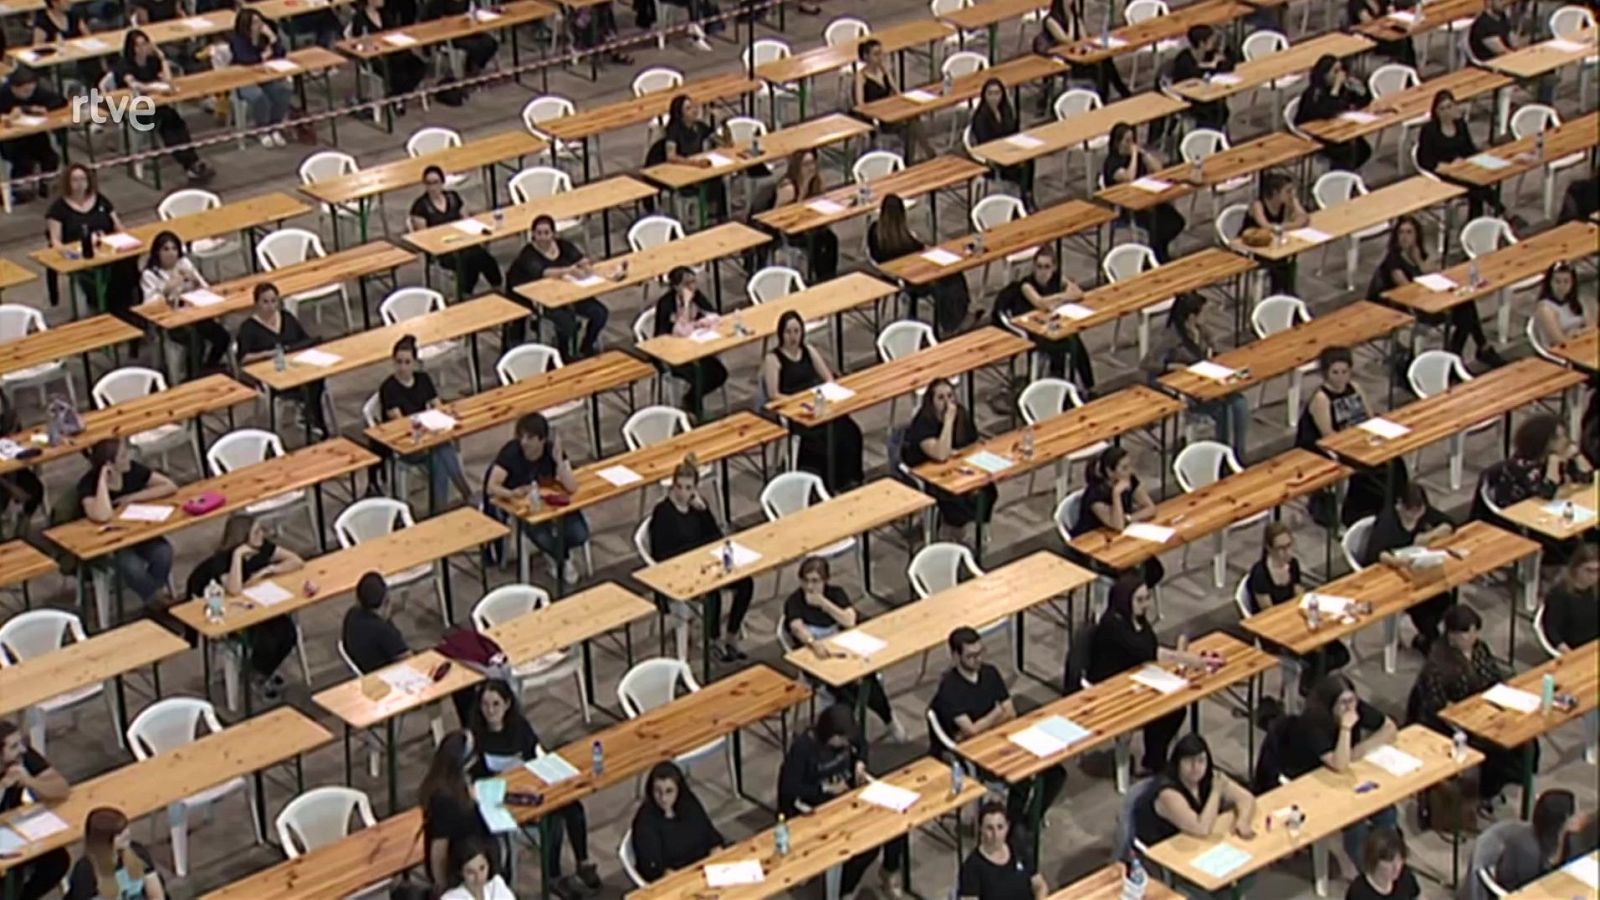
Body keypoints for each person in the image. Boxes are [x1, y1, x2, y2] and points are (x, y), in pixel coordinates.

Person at [468, 681, 598, 898]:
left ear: (508, 704)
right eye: (485, 705)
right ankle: (553, 877)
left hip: (530, 790)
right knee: (553, 820)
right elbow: (476, 780)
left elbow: (536, 755)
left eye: (496, 704)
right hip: (500, 800)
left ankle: (583, 863)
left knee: (573, 806)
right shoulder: (476, 737)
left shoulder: (519, 728)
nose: (490, 711)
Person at [932, 626, 1066, 825]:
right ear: (955, 657)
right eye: (971, 656)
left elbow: (1010, 712)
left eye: (980, 653)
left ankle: (1031, 818)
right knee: (1020, 779)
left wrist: (987, 722)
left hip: (1005, 737)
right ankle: (1013, 827)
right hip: (976, 753)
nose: (977, 659)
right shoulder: (949, 688)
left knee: (1056, 772)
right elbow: (971, 732)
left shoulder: (990, 673)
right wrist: (996, 713)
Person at [1412, 606, 1532, 814]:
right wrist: (1467, 722)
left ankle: (1512, 778)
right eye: (1467, 632)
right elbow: (1437, 707)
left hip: (1486, 710)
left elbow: (1493, 677)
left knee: (1524, 737)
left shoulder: (1479, 649)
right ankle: (1486, 791)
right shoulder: (1436, 665)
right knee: (1495, 748)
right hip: (1453, 723)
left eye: (1475, 630)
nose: (1473, 636)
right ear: (1452, 635)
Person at [777, 704, 906, 898]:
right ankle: (845, 890)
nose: (847, 744)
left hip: (849, 795)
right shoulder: (804, 749)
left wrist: (861, 763)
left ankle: (890, 870)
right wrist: (826, 789)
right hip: (818, 806)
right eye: (843, 740)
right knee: (867, 848)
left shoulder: (849, 736)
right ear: (832, 736)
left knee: (896, 821)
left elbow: (862, 744)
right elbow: (789, 787)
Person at [1281, 674, 1400, 879]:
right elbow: (1339, 764)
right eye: (1343, 703)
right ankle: (1370, 875)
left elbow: (1389, 727)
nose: (1350, 707)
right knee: (1356, 823)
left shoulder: (1355, 708)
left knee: (1387, 811)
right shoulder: (1313, 723)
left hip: (1344, 777)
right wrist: (1345, 728)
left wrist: (1362, 748)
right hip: (1311, 779)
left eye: (1352, 700)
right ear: (1329, 704)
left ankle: (1389, 858)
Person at [785, 556, 907, 741]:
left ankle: (889, 720)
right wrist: (812, 642)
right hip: (816, 661)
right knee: (846, 695)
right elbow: (796, 627)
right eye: (806, 581)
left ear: (825, 581)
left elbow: (849, 620)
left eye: (815, 581)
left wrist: (823, 604)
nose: (810, 587)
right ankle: (850, 737)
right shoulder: (794, 601)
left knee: (870, 683)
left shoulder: (836, 594)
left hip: (842, 652)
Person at [1089, 573, 1200, 775]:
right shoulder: (1113, 623)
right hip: (1112, 685)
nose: (1146, 604)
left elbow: (1150, 645)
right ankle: (1154, 763)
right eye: (1140, 600)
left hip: (1137, 676)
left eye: (1147, 598)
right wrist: (1186, 658)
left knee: (1176, 709)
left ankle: (1153, 760)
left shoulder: (1138, 620)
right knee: (1161, 710)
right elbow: (1146, 650)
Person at [184, 514, 302, 702]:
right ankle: (257, 675)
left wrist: (267, 571)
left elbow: (296, 560)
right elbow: (234, 589)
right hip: (232, 613)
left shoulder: (263, 547)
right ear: (243, 537)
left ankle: (260, 672)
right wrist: (238, 556)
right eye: (256, 532)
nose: (262, 534)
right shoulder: (223, 559)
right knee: (267, 641)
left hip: (261, 605)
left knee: (288, 632)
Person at [648, 455, 753, 663]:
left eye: (688, 488)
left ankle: (731, 635)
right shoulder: (663, 513)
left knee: (746, 583)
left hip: (704, 565)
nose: (683, 493)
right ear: (673, 485)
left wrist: (704, 512)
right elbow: (660, 554)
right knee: (712, 592)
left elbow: (714, 537)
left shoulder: (698, 508)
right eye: (679, 487)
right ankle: (713, 639)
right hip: (679, 571)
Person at [1368, 214, 1503, 367]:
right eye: (1401, 232)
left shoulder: (1414, 254)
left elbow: (1429, 274)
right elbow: (1407, 291)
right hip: (1406, 308)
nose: (1405, 237)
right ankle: (1467, 354)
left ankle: (1459, 356)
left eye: (1409, 232)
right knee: (1466, 315)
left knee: (1466, 308)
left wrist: (1419, 260)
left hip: (1425, 300)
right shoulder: (1393, 261)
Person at [1295, 346, 1401, 526]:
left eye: (1345, 371)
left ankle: (1389, 505)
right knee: (1367, 471)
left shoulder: (1355, 388)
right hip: (1328, 448)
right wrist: (1354, 445)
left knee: (1394, 461)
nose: (1340, 377)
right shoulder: (1321, 399)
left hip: (1357, 440)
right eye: (1335, 372)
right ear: (1326, 373)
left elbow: (1368, 417)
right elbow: (1328, 435)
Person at [761, 310, 865, 490]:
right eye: (788, 332)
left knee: (849, 430)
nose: (793, 337)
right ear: (781, 334)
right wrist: (800, 402)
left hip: (817, 405)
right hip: (796, 411)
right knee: (823, 439)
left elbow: (828, 377)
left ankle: (849, 479)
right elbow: (773, 394)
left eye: (796, 331)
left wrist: (825, 394)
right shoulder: (773, 359)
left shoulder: (808, 351)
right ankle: (827, 484)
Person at [483, 412, 589, 585]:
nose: (524, 442)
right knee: (541, 535)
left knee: (579, 534)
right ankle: (562, 559)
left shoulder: (552, 451)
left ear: (542, 439)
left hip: (552, 504)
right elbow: (491, 487)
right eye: (521, 436)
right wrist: (512, 493)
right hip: (526, 508)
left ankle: (555, 553)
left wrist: (559, 462)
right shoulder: (511, 453)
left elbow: (572, 487)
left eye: (530, 438)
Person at [1141, 291, 1248, 456]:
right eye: (1203, 312)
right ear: (1191, 316)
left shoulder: (1203, 332)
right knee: (1223, 410)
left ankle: (1239, 454)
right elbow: (1147, 363)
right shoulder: (1170, 337)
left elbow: (1214, 350)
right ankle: (1224, 454)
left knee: (1239, 403)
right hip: (1187, 390)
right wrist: (1171, 366)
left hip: (1207, 380)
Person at [1246, 521, 1349, 693]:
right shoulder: (1260, 574)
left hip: (1295, 620)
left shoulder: (1292, 564)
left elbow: (1298, 593)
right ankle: (1311, 690)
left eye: (1289, 546)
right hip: (1275, 630)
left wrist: (1308, 613)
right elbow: (1270, 613)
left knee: (1339, 653)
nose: (1286, 552)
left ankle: (1314, 683)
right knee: (1318, 655)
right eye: (1281, 548)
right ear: (1269, 548)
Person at [78, 438, 177, 614]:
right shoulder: (88, 484)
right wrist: (102, 480)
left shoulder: (132, 470)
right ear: (110, 464)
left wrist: (131, 498)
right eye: (123, 456)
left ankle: (153, 599)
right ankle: (157, 600)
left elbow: (169, 486)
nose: (128, 458)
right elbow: (103, 515)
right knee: (131, 565)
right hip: (111, 544)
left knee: (164, 552)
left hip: (138, 533)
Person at [379, 335, 474, 506]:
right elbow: (400, 422)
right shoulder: (389, 388)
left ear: (415, 362)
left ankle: (441, 508)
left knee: (440, 453)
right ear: (393, 362)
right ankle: (465, 494)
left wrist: (444, 418)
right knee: (442, 451)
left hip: (429, 436)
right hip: (408, 443)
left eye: (407, 362)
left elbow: (438, 406)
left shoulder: (423, 379)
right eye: (399, 362)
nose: (402, 367)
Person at [1361, 484, 1455, 653]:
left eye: (1419, 512)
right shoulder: (1388, 521)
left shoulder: (1424, 513)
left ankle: (1433, 639)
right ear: (1400, 506)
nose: (1416, 517)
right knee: (1422, 606)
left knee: (1443, 599)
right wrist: (1399, 562)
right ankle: (1434, 644)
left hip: (1418, 571)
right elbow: (1376, 554)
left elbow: (1448, 524)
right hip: (1391, 573)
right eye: (1411, 512)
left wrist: (1428, 537)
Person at [47, 165, 141, 329]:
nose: (80, 184)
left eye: (83, 179)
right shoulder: (58, 209)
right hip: (83, 256)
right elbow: (55, 241)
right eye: (75, 180)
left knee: (128, 265)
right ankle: (113, 310)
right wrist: (70, 251)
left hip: (108, 251)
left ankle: (128, 307)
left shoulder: (100, 200)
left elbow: (118, 226)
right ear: (67, 183)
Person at [902, 379, 995, 540]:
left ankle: (980, 531)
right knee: (956, 497)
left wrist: (961, 454)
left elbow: (973, 444)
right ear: (931, 402)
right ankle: (952, 532)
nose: (947, 402)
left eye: (950, 396)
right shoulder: (923, 422)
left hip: (958, 468)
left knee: (987, 489)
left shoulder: (962, 414)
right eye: (940, 398)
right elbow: (941, 454)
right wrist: (949, 421)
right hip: (930, 475)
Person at [116, 31, 214, 184]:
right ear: (132, 48)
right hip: (135, 108)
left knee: (177, 122)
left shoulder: (152, 61)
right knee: (167, 126)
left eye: (145, 43)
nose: (144, 48)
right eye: (139, 45)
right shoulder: (124, 65)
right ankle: (190, 164)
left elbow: (168, 80)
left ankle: (192, 161)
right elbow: (134, 84)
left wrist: (162, 58)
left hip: (157, 105)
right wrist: (155, 88)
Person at [234, 282, 330, 438]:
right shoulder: (248, 328)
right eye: (265, 302)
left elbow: (304, 339)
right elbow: (244, 359)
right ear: (256, 303)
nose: (271, 306)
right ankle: (313, 418)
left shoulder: (286, 317)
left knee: (317, 379)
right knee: (308, 385)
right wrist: (268, 354)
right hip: (273, 373)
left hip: (297, 365)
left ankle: (313, 418)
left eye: (274, 301)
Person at [867, 193, 971, 336]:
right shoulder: (901, 237)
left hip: (901, 274)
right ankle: (952, 323)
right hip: (910, 278)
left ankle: (954, 319)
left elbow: (875, 257)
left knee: (950, 277)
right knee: (951, 280)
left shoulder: (875, 231)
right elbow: (917, 248)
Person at [1134, 734, 1256, 855]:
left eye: (1201, 760)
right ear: (1178, 763)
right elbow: (1201, 829)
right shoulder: (1168, 794)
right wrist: (1216, 792)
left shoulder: (1209, 777)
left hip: (1193, 842)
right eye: (1188, 761)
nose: (1196, 767)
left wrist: (1242, 821)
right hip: (1160, 851)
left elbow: (1246, 798)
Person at [993, 248, 1095, 389]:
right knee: (1068, 343)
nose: (1042, 272)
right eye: (1039, 267)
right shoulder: (1026, 285)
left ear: (1054, 268)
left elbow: (1077, 293)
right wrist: (1062, 297)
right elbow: (1041, 303)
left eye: (1047, 267)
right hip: (1031, 329)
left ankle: (1084, 385)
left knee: (1074, 339)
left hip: (1050, 324)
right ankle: (1064, 381)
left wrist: (1060, 296)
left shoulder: (1057, 278)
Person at [505, 214, 605, 357]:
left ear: (553, 233)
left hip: (568, 293)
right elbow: (544, 272)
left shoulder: (562, 245)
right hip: (540, 300)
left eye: (546, 233)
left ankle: (586, 347)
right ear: (532, 234)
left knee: (599, 313)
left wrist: (586, 266)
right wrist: (569, 270)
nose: (543, 237)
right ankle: (562, 355)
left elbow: (580, 258)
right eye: (539, 233)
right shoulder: (528, 254)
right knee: (567, 324)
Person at [140, 231, 230, 376]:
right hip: (172, 322)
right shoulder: (150, 274)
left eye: (174, 249)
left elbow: (206, 287)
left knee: (222, 336)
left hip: (194, 314)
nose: (171, 253)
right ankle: (193, 376)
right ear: (157, 252)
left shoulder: (184, 263)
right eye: (166, 249)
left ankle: (209, 366)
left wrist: (194, 281)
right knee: (195, 340)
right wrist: (166, 289)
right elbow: (149, 305)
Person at [408, 165, 503, 298]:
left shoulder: (453, 197)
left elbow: (466, 219)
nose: (432, 187)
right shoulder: (420, 207)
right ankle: (465, 294)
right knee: (467, 261)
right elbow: (424, 237)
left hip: (463, 241)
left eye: (435, 182)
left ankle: (497, 287)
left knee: (483, 257)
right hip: (443, 249)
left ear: (442, 183)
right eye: (428, 183)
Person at [0, 722, 70, 900]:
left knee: (58, 861)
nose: (22, 749)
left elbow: (61, 788)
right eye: (14, 746)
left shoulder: (22, 756)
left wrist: (30, 781)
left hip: (14, 829)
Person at [1074, 445, 1164, 585]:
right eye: (1124, 468)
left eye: (1129, 466)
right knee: (1133, 574)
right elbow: (1117, 525)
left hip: (1120, 539)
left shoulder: (1130, 480)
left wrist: (1130, 518)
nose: (1130, 471)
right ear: (1110, 472)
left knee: (1154, 569)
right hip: (1095, 546)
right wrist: (1116, 494)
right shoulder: (1096, 494)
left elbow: (1150, 508)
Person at [1102, 122, 1186, 263]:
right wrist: (1134, 155)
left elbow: (1158, 169)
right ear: (1117, 143)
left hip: (1148, 199)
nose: (1131, 144)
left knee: (1176, 221)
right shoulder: (1112, 163)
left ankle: (1159, 251)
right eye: (1127, 141)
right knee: (1157, 224)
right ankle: (1157, 256)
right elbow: (1129, 177)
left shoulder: (1137, 156)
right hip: (1128, 207)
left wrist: (1145, 154)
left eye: (1133, 140)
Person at [420, 731, 494, 887]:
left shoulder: (449, 782)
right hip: (461, 867)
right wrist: (442, 885)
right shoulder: (445, 800)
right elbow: (439, 849)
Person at [630, 761, 725, 882]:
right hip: (677, 878)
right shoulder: (645, 821)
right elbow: (654, 868)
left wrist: (716, 850)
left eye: (669, 791)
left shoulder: (689, 804)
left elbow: (709, 833)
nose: (663, 798)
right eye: (657, 791)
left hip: (705, 868)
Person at [1415, 90, 1504, 219]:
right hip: (1442, 173)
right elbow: (1424, 159)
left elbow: (1469, 149)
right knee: (1477, 187)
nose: (1446, 112)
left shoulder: (1460, 125)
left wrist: (1477, 157)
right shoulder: (1429, 131)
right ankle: (1500, 211)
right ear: (1436, 111)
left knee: (1480, 183)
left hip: (1463, 169)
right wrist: (1446, 166)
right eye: (1442, 109)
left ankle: (1480, 219)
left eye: (1449, 107)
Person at [652, 266, 727, 418]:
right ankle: (698, 412)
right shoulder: (666, 304)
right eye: (687, 284)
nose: (692, 287)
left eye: (694, 282)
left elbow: (714, 315)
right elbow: (681, 331)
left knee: (719, 373)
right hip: (669, 355)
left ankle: (690, 399)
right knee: (698, 373)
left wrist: (703, 322)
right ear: (676, 287)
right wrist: (686, 304)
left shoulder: (696, 295)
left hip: (693, 350)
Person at [1487, 414, 1594, 509]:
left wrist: (1578, 455)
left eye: (1564, 435)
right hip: (1518, 515)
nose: (1565, 440)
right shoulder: (1523, 465)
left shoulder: (1560, 456)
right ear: (1544, 442)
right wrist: (1553, 464)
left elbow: (1587, 479)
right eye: (1558, 438)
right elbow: (1546, 494)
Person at [1492, 789, 1592, 891]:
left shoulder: (1568, 838)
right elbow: (1530, 890)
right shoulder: (1526, 850)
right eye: (1576, 813)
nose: (1582, 815)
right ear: (1563, 820)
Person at [855, 39, 933, 161]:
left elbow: (897, 92)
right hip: (878, 117)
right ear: (866, 56)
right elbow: (860, 105)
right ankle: (925, 154)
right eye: (876, 54)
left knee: (913, 120)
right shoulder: (861, 76)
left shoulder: (883, 70)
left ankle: (914, 158)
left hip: (892, 111)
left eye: (881, 53)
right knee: (911, 127)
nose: (880, 57)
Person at [1039, 0, 1131, 101]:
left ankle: (1107, 94)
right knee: (1100, 63)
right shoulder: (1050, 20)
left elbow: (1084, 37)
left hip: (1076, 51)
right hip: (1059, 56)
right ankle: (1115, 92)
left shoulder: (1075, 15)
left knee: (1104, 58)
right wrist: (1071, 19)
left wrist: (1076, 18)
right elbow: (1067, 40)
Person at [226, 9, 293, 147]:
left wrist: (273, 38)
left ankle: (274, 127)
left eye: (260, 21)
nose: (260, 25)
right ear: (246, 25)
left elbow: (281, 53)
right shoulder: (237, 40)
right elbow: (246, 60)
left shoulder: (264, 36)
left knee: (284, 90)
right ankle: (262, 130)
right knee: (258, 97)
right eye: (255, 22)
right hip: (244, 79)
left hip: (265, 75)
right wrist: (264, 56)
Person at [66, 807, 164, 900]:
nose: (127, 833)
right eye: (119, 833)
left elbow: (156, 895)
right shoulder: (85, 871)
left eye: (125, 828)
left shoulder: (137, 852)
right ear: (103, 840)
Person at [0, 66, 67, 202]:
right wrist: (5, 117)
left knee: (50, 157)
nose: (29, 93)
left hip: (35, 134)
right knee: (23, 161)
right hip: (11, 138)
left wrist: (41, 108)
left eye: (31, 89)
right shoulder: (3, 94)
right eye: (25, 91)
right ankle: (19, 192)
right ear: (14, 88)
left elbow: (60, 101)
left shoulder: (37, 92)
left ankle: (46, 184)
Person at [958, 801, 1049, 900]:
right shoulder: (971, 868)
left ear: (1007, 827)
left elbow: (1040, 885)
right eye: (989, 828)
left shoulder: (1018, 848)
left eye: (1000, 827)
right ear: (980, 829)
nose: (995, 834)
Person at [1295, 54, 1371, 171]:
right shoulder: (1314, 92)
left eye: (1341, 70)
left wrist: (1359, 90)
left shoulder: (1342, 88)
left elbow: (1361, 103)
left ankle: (1347, 175)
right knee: (1345, 150)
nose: (1340, 75)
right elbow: (1327, 112)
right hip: (1313, 132)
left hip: (1336, 128)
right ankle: (1339, 178)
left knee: (1363, 149)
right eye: (1335, 71)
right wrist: (1335, 89)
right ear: (1324, 74)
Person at [348, 0, 425, 112]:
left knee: (418, 66)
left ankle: (396, 95)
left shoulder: (385, 14)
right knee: (397, 72)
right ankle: (398, 98)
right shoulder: (360, 18)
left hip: (393, 52)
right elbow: (356, 42)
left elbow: (393, 31)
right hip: (375, 57)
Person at [772, 149, 839, 279]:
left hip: (810, 224)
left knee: (830, 238)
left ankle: (828, 276)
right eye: (806, 164)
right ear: (798, 166)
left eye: (813, 163)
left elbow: (822, 200)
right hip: (790, 230)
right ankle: (814, 276)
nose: (811, 168)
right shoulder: (789, 188)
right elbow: (776, 216)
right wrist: (803, 189)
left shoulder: (816, 182)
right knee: (814, 241)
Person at [661, 95, 726, 220]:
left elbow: (725, 143)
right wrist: (694, 163)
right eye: (688, 108)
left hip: (699, 168)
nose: (694, 110)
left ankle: (717, 216)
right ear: (680, 113)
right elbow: (671, 156)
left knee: (718, 180)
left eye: (694, 107)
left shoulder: (699, 126)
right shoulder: (674, 130)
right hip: (683, 170)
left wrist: (722, 123)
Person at [1242, 173, 1309, 295]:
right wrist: (1288, 226)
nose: (1291, 195)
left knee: (1289, 262)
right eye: (1288, 191)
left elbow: (1303, 219)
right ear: (1275, 193)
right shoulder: (1258, 205)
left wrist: (1295, 201)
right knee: (1280, 266)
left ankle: (1284, 295)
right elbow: (1266, 226)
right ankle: (1285, 295)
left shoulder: (1283, 205)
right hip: (1253, 247)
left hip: (1272, 246)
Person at [969, 77, 1032, 200]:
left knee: (1029, 159)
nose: (994, 97)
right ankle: (1022, 198)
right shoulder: (980, 117)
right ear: (984, 95)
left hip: (1009, 150)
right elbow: (984, 143)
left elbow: (1014, 131)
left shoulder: (1006, 110)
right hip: (993, 157)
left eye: (997, 93)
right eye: (990, 94)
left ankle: (1027, 194)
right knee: (1022, 167)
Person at [1169, 25, 1234, 132]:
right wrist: (1210, 66)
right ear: (1202, 44)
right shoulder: (1184, 59)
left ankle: (1216, 138)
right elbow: (1194, 76)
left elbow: (1228, 65)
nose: (1214, 43)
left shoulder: (1209, 54)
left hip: (1207, 94)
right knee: (1210, 112)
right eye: (1211, 41)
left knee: (1221, 109)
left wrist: (1219, 61)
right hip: (1188, 98)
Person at [340, 571, 408, 673]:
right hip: (388, 676)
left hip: (365, 668)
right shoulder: (385, 632)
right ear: (386, 599)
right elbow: (409, 660)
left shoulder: (351, 615)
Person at [0, 391, 44, 535]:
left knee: (36, 489)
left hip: (8, 462)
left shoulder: (4, 403)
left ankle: (21, 531)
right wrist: (10, 488)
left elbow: (15, 429)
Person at [1542, 544, 1599, 651]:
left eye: (1597, 571)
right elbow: (1552, 629)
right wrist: (1567, 651)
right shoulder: (1560, 593)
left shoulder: (1596, 588)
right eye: (1589, 570)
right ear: (1576, 568)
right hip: (1576, 647)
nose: (1594, 576)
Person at [32, 0, 101, 86]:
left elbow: (87, 36)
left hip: (78, 57)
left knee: (94, 62)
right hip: (57, 63)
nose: (69, 2)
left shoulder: (73, 14)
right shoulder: (42, 21)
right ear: (54, 2)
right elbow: (37, 47)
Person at [423, 0, 498, 78]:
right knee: (474, 47)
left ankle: (473, 66)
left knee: (491, 43)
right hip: (449, 35)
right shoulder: (438, 3)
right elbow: (431, 21)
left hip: (466, 29)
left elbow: (471, 13)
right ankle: (471, 71)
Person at [1345, 827, 1420, 900]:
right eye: (1389, 861)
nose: (1397, 867)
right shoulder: (1358, 892)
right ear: (1374, 859)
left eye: (1399, 859)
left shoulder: (1405, 876)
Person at [1531, 261, 1592, 350]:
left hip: (1583, 344)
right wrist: (1576, 335)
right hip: (1561, 352)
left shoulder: (1579, 300)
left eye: (1566, 281)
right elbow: (1559, 342)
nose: (1561, 286)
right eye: (1557, 282)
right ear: (1550, 283)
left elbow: (1592, 328)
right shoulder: (1545, 309)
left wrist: (1577, 333)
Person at [439, 836, 516, 900]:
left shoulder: (496, 884)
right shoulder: (450, 898)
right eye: (470, 872)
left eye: (482, 868)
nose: (479, 877)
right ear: (460, 872)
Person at [1347, 0, 1416, 66]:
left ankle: (1410, 70)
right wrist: (1385, 21)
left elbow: (1390, 10)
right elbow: (1368, 22)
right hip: (1367, 36)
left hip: (1384, 30)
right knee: (1399, 43)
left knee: (1405, 38)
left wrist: (1392, 14)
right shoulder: (1356, 2)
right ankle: (1399, 67)